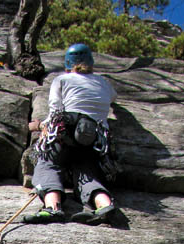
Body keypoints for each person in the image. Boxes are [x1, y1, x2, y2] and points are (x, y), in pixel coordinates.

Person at [24, 43, 118, 225]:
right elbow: (113, 98)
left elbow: (55, 111)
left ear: (68, 63)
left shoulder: (62, 80)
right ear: (90, 62)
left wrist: (38, 126)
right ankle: (104, 206)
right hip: (94, 137)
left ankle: (52, 208)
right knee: (87, 172)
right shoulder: (104, 83)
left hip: (65, 130)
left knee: (48, 164)